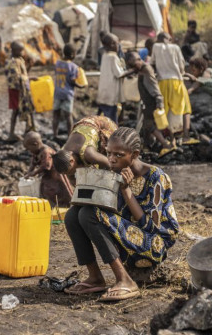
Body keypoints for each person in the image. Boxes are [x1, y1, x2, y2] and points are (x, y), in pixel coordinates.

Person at [63, 127, 179, 301]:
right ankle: (95, 277)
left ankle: (125, 280)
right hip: (127, 239)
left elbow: (152, 228)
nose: (111, 159)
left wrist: (125, 190)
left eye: (119, 155)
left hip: (154, 245)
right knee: (73, 214)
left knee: (89, 214)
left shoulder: (155, 177)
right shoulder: (115, 172)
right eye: (109, 153)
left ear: (134, 154)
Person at [124, 51, 176, 156]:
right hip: (148, 101)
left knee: (151, 125)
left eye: (134, 65)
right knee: (152, 124)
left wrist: (159, 101)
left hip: (152, 101)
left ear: (138, 61)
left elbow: (153, 86)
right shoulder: (142, 69)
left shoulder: (146, 70)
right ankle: (149, 145)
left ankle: (166, 144)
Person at [152, 33, 196, 143]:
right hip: (176, 81)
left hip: (162, 82)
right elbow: (181, 65)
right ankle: (186, 136)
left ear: (158, 40)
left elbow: (152, 63)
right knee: (185, 108)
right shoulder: (175, 47)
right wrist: (182, 73)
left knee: (165, 110)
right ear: (170, 39)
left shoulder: (155, 47)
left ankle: (170, 140)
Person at [52, 115, 117, 176]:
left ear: (72, 161)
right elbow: (72, 179)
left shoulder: (89, 154)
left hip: (100, 124)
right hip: (81, 128)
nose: (71, 175)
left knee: (115, 154)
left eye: (71, 173)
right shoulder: (63, 157)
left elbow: (109, 163)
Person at [23, 131, 73, 207]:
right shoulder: (36, 151)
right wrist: (28, 172)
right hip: (47, 177)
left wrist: (33, 173)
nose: (29, 151)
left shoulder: (46, 152)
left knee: (57, 192)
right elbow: (33, 163)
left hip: (55, 177)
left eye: (29, 149)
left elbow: (46, 165)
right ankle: (49, 206)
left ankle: (60, 207)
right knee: (45, 191)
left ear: (35, 144)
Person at [185, 57, 212, 134]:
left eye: (194, 71)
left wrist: (183, 93)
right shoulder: (210, 70)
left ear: (201, 69)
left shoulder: (201, 80)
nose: (193, 73)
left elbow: (191, 90)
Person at [5, 41, 35, 141]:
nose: (23, 52)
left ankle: (28, 129)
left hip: (21, 88)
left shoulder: (19, 59)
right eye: (21, 50)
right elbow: (17, 78)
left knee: (26, 108)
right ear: (14, 51)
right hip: (16, 90)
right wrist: (29, 79)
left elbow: (23, 74)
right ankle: (11, 133)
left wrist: (29, 67)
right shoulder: (13, 62)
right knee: (16, 110)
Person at [97, 33, 129, 124]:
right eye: (117, 43)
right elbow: (119, 74)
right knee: (111, 120)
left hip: (103, 93)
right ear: (112, 45)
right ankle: (111, 136)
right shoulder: (113, 57)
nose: (118, 45)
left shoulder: (105, 55)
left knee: (101, 117)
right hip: (110, 95)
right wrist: (132, 71)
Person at [53, 44, 81, 139]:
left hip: (57, 93)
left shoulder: (57, 63)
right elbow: (73, 81)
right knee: (68, 116)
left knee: (56, 114)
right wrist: (80, 86)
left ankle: (55, 134)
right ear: (73, 54)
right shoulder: (73, 67)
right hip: (67, 94)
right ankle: (70, 136)